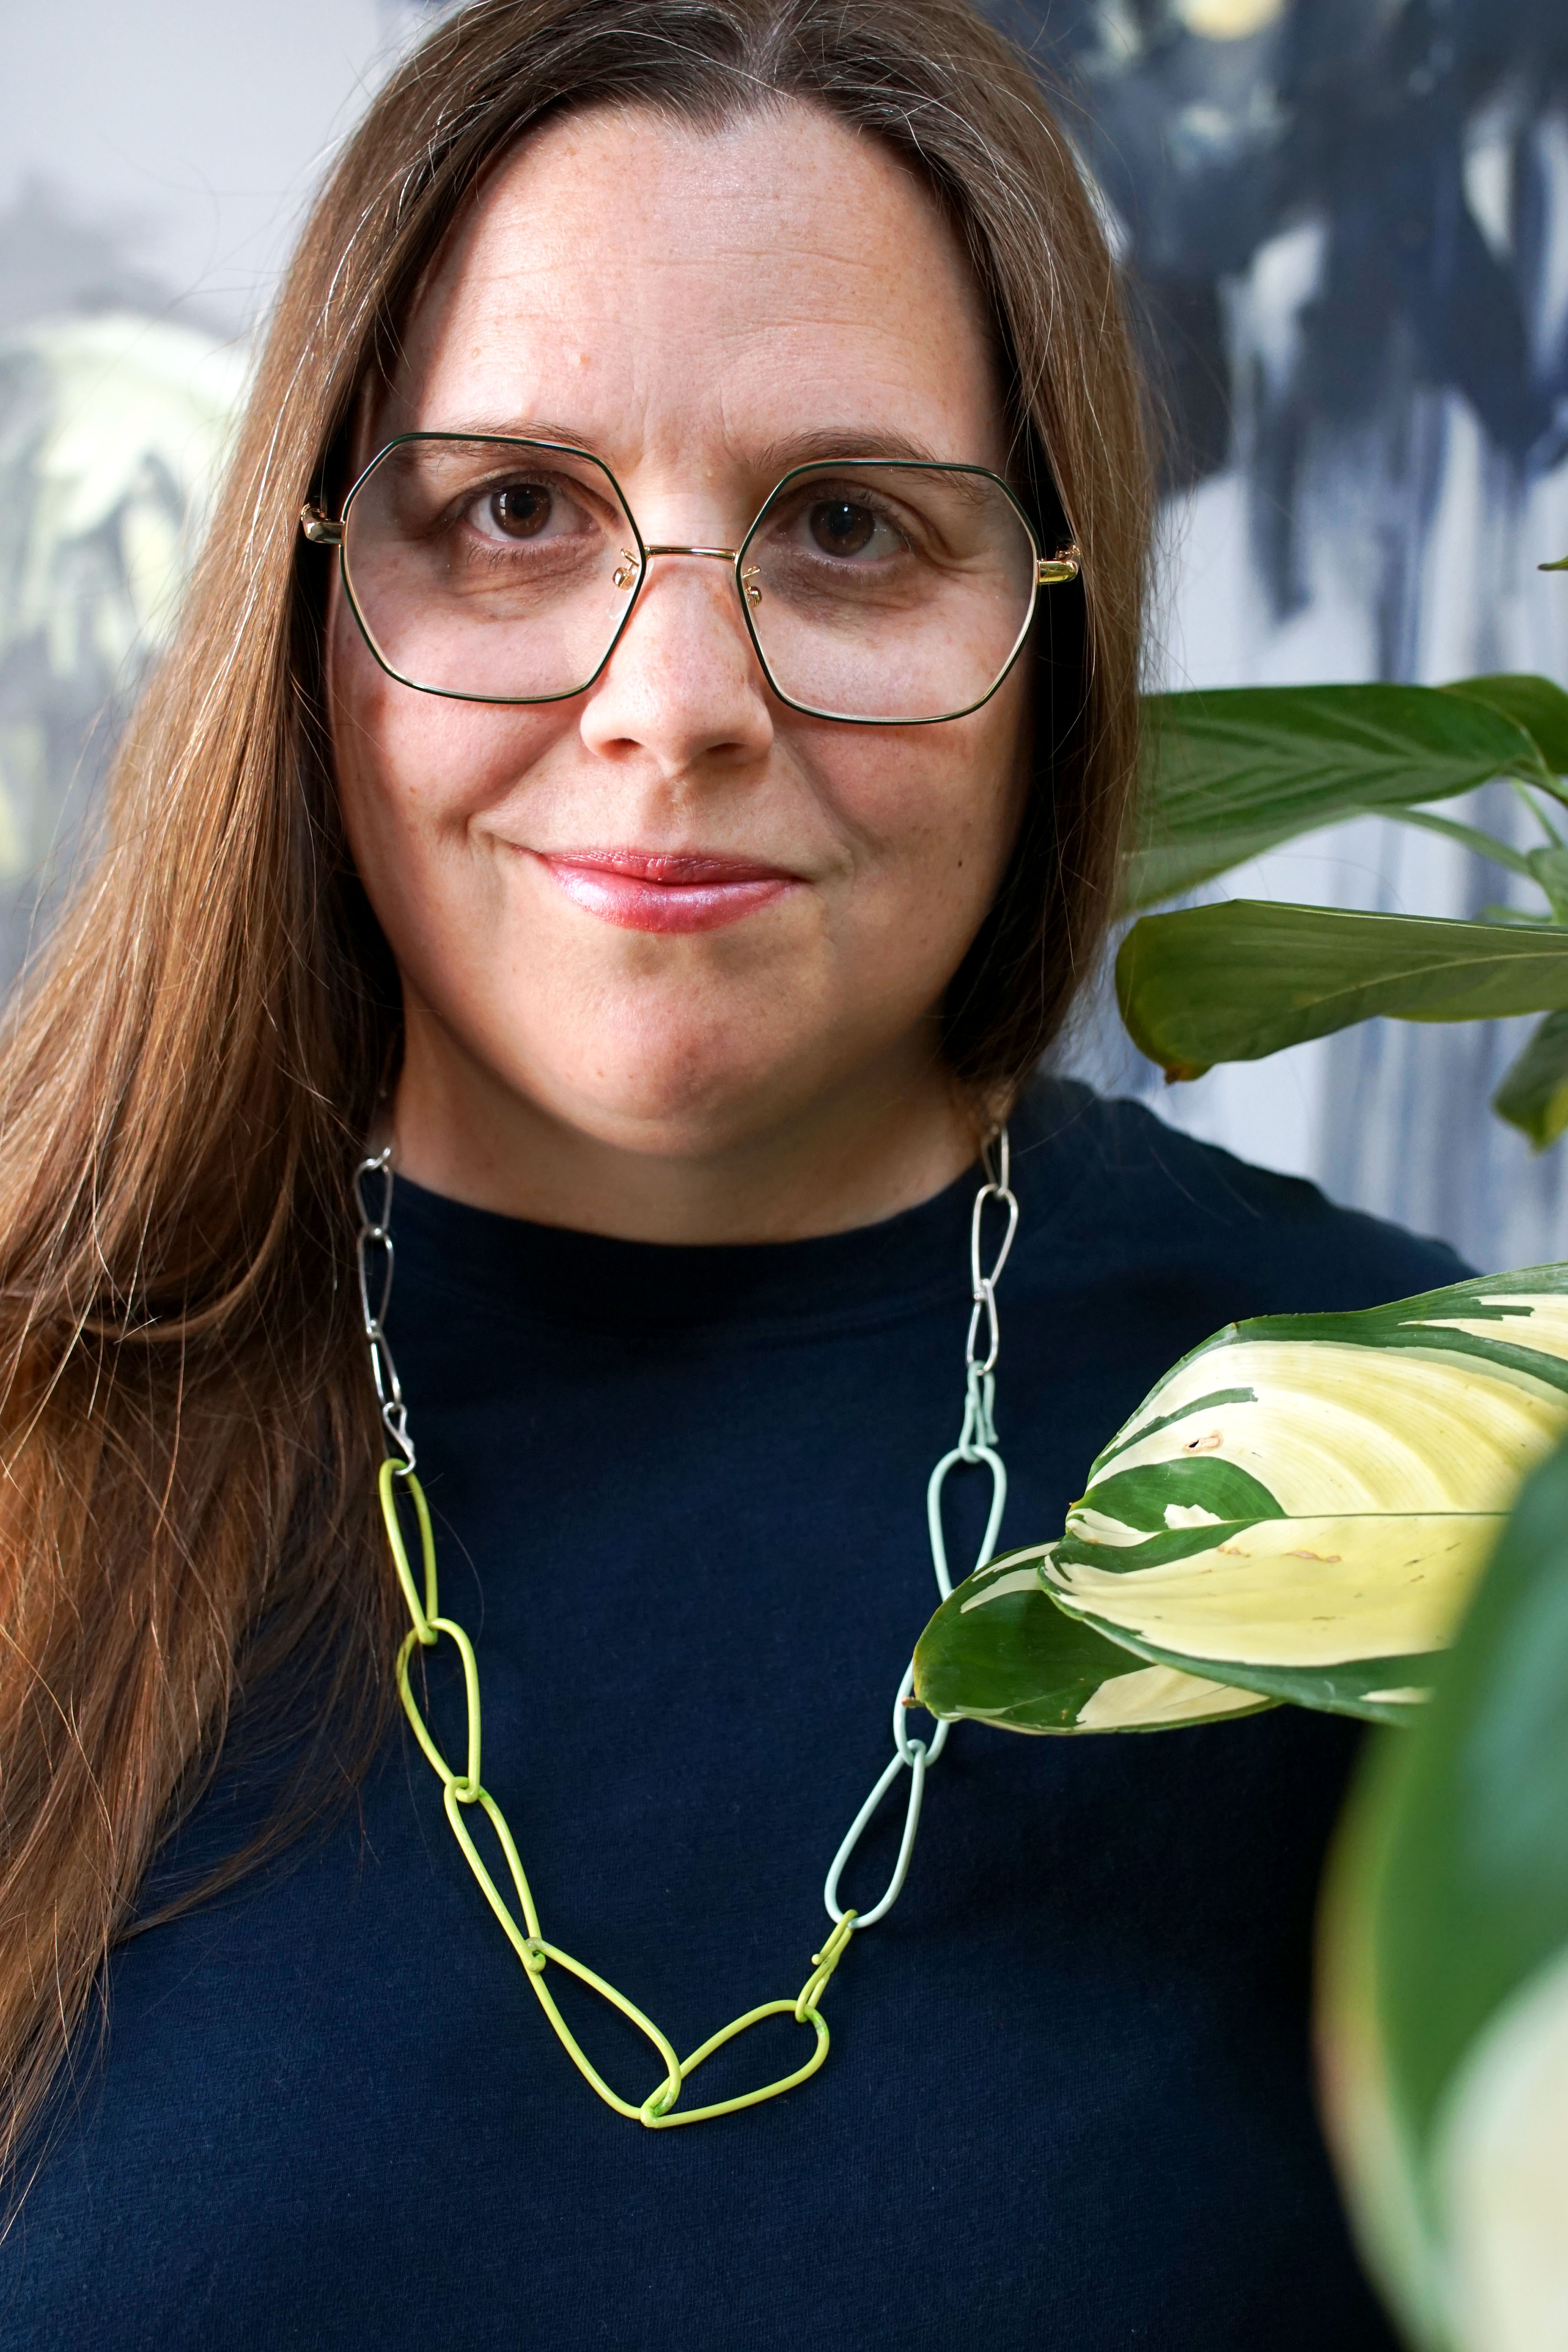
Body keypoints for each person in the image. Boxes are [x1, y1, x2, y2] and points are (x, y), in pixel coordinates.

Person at [0, 1, 1462, 2344]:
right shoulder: (27, 1413)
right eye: (513, 511)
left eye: (852, 526)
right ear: (314, 600)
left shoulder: (1431, 1494)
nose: (675, 697)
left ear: (1049, 630)